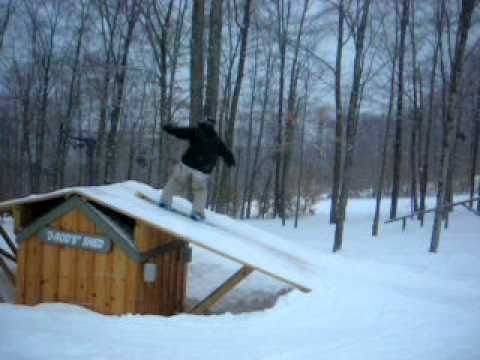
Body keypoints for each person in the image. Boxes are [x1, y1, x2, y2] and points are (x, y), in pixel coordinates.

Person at [159, 117, 236, 221]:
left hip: (187, 164)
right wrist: (231, 162)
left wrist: (169, 128)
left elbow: (180, 132)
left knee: (176, 181)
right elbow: (226, 152)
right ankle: (197, 212)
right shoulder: (216, 140)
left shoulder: (195, 131)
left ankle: (165, 201)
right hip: (203, 170)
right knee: (200, 191)